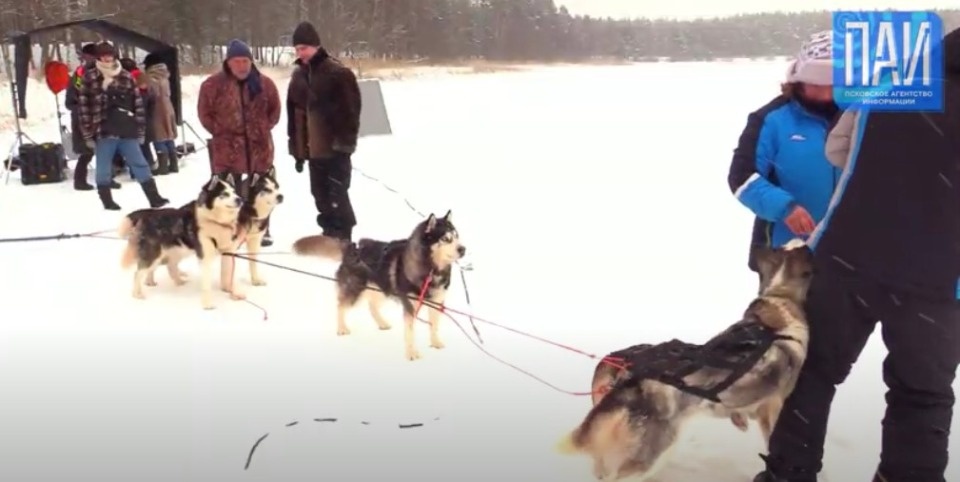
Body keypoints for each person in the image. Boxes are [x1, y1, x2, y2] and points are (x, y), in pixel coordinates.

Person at [753, 27, 960, 482]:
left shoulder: (893, 87)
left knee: (811, 372)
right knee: (921, 393)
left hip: (848, 257)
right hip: (939, 280)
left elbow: (837, 150)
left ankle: (787, 474)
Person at [727, 30, 840, 284]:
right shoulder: (771, 119)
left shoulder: (864, 117)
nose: (823, 94)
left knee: (836, 324)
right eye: (815, 84)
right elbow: (742, 177)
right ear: (797, 79)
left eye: (832, 85)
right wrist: (785, 208)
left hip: (848, 251)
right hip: (783, 253)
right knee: (782, 324)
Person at [197, 39, 281, 244]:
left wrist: (260, 130)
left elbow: (275, 111)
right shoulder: (212, 85)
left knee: (261, 192)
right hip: (227, 150)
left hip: (259, 149)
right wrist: (222, 132)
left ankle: (261, 229)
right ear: (228, 62)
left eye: (245, 61)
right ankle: (230, 228)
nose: (242, 66)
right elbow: (204, 114)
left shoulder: (264, 84)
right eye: (237, 61)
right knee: (227, 193)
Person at [287, 21, 362, 242]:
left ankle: (344, 236)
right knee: (319, 196)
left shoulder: (338, 73)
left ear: (316, 46)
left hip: (335, 149)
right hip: (313, 150)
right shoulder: (298, 76)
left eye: (304, 48)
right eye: (297, 49)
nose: (301, 53)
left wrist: (344, 146)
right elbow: (294, 117)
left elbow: (351, 112)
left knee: (338, 194)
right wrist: (298, 150)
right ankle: (329, 234)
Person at [78, 42, 169, 211]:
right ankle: (107, 200)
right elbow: (84, 108)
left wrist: (140, 129)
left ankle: (154, 197)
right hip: (103, 129)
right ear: (98, 56)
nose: (107, 58)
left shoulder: (126, 76)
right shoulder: (89, 77)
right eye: (103, 55)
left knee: (140, 163)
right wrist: (87, 134)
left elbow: (137, 104)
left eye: (109, 54)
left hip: (127, 129)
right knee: (104, 166)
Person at [65, 43, 110, 191]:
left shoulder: (85, 72)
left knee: (103, 149)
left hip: (95, 116)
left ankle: (106, 178)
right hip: (83, 118)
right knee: (87, 152)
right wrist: (84, 108)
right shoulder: (81, 74)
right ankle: (80, 181)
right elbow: (71, 100)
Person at [141, 53, 179, 175]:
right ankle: (173, 164)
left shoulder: (151, 78)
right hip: (168, 107)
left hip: (157, 109)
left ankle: (163, 166)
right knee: (169, 136)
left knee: (159, 137)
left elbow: (150, 95)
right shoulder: (165, 76)